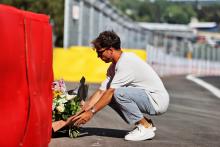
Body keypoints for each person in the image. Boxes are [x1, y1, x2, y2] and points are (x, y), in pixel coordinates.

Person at [71, 30, 169, 141]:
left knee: (118, 93)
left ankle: (145, 127)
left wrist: (91, 112)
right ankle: (146, 123)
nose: (98, 56)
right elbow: (101, 92)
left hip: (157, 101)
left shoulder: (126, 62)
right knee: (109, 96)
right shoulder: (114, 67)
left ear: (110, 50)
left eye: (100, 52)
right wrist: (83, 108)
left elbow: (111, 92)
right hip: (147, 97)